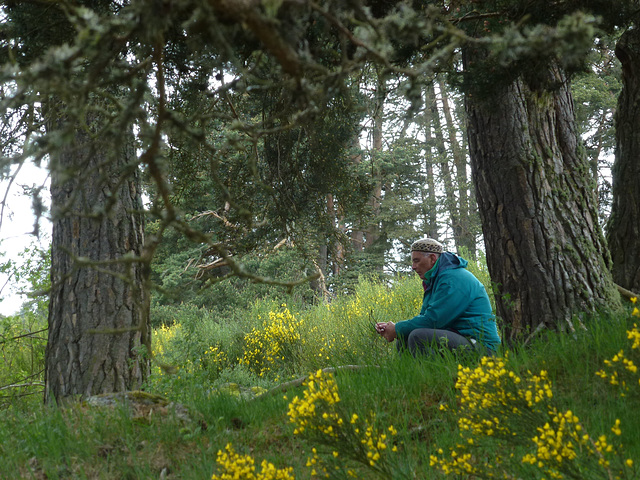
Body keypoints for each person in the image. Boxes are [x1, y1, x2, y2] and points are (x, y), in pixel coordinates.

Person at [375, 237, 500, 356]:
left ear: (432, 258)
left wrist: (397, 328)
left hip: (482, 347)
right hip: (461, 338)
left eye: (416, 261)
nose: (413, 267)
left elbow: (434, 321)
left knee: (418, 337)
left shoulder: (452, 279)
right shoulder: (435, 280)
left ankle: (432, 377)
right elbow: (425, 318)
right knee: (405, 337)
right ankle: (411, 376)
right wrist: (394, 328)